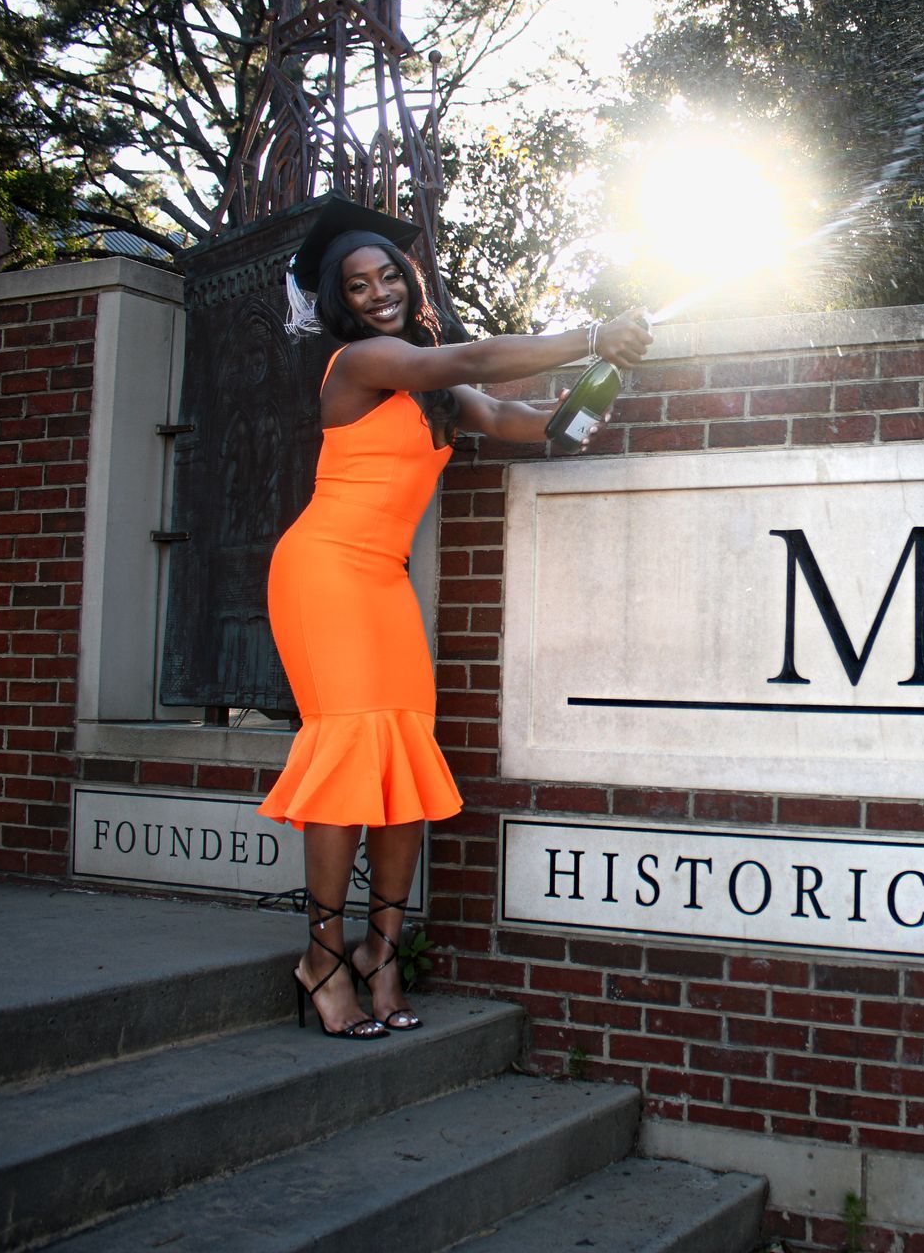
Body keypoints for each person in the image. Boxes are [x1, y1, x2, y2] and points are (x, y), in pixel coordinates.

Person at [260, 198, 651, 1039]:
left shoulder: (436, 385)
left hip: (384, 583)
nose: (378, 293)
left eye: (389, 277)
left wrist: (597, 385)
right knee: (348, 750)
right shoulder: (360, 364)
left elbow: (526, 422)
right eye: (358, 285)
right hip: (324, 572)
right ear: (342, 302)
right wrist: (590, 332)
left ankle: (382, 952)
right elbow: (473, 354)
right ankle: (320, 957)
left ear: (410, 280)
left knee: (401, 760)